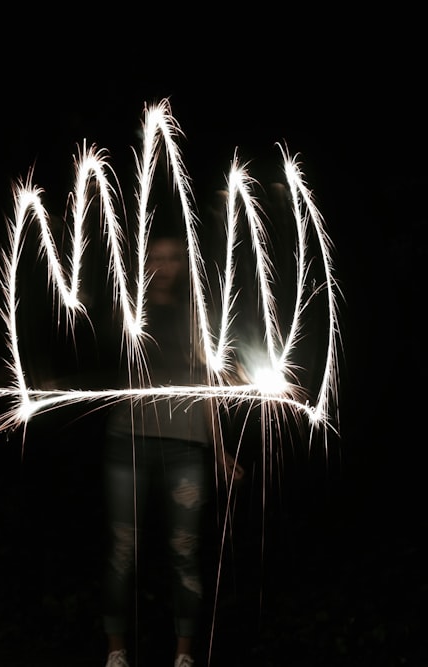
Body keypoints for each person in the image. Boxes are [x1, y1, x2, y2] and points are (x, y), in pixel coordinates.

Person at [101, 233, 245, 667]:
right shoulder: (127, 314)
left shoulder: (195, 317)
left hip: (186, 446)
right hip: (128, 441)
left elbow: (206, 386)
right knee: (123, 550)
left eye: (173, 258)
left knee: (185, 550)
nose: (165, 266)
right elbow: (109, 358)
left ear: (184, 265)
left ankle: (183, 657)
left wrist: (219, 451)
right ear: (144, 265)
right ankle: (116, 653)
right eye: (157, 258)